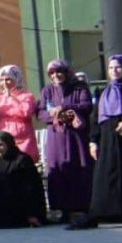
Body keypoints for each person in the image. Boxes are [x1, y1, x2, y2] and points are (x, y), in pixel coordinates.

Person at [39, 59, 95, 219]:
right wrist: (55, 116)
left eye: (59, 71)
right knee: (57, 169)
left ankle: (79, 208)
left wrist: (66, 108)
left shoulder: (79, 87)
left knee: (78, 167)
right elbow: (41, 113)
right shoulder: (47, 90)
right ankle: (59, 209)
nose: (56, 75)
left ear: (66, 72)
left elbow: (86, 106)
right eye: (52, 73)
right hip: (56, 136)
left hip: (75, 137)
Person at [0, 133, 46, 228]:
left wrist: (32, 214)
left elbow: (32, 189)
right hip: (8, 202)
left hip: (23, 203)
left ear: (9, 144)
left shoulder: (22, 159)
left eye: (0, 145)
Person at [90, 54, 122, 224]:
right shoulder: (103, 92)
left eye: (118, 67)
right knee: (107, 175)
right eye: (111, 68)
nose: (114, 71)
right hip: (107, 140)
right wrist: (93, 141)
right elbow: (95, 118)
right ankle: (108, 213)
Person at [0, 66, 39, 161]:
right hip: (2, 138)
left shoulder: (26, 96)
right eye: (1, 80)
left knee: (23, 164)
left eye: (8, 79)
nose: (4, 83)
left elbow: (27, 112)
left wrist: (12, 97)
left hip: (24, 139)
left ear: (16, 79)